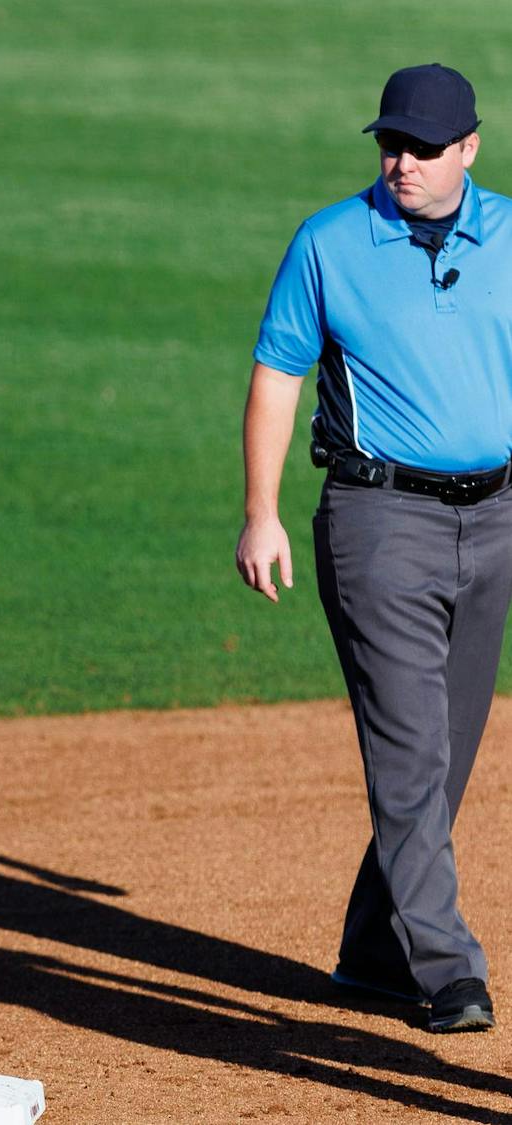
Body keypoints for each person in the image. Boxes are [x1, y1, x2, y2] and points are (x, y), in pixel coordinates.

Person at [236, 63, 509, 1033]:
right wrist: (261, 511)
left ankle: (374, 948)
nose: (402, 161)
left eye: (424, 148)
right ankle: (445, 967)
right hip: (378, 520)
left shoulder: (511, 237)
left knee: (449, 752)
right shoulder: (331, 242)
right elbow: (278, 373)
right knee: (409, 749)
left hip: (496, 518)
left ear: (469, 150)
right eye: (391, 142)